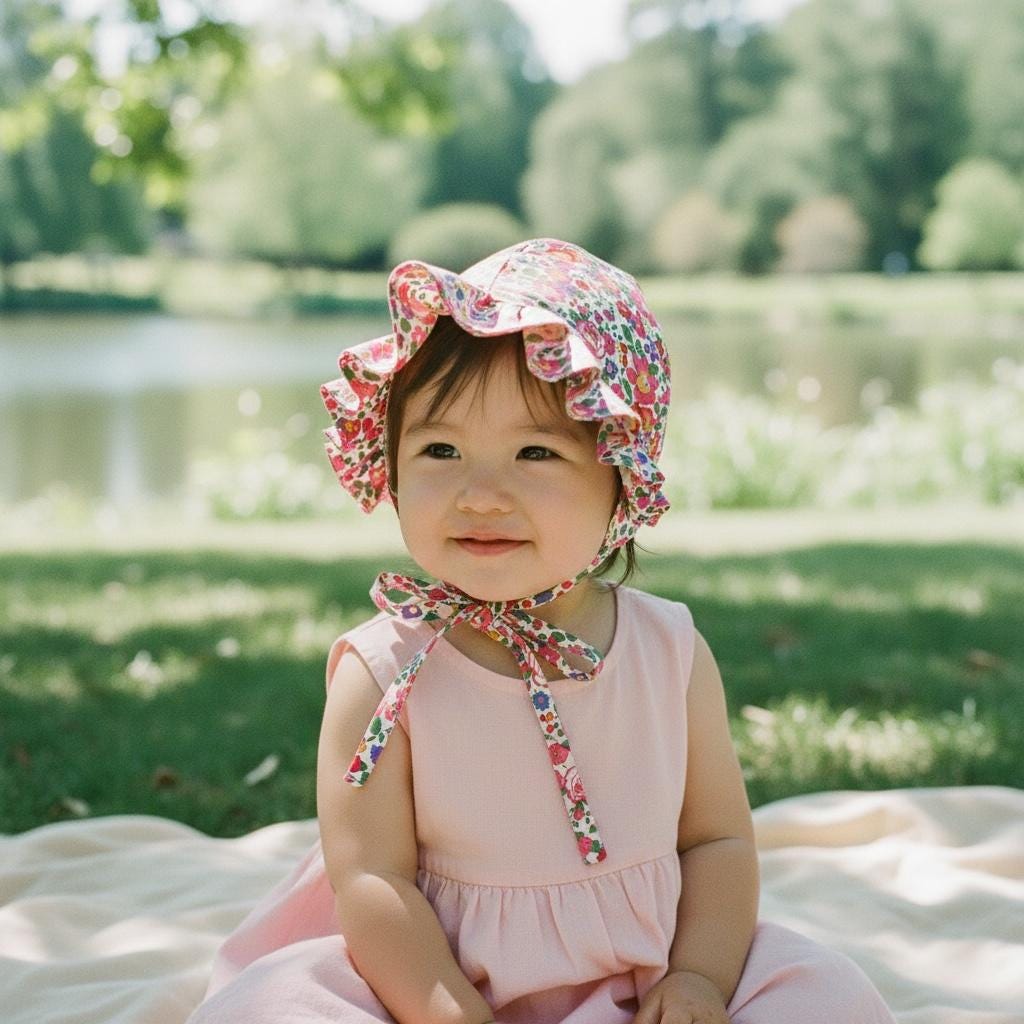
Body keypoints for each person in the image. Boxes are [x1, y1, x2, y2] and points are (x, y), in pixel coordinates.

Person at [186, 238, 896, 1024]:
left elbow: (717, 844)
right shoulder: (384, 671)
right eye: (441, 449)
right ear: (390, 466)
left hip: (643, 982)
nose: (481, 494)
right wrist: (447, 1010)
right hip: (424, 987)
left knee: (827, 992)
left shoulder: (668, 653)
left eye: (534, 451)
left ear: (621, 475)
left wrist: (698, 978)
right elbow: (371, 881)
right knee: (273, 1007)